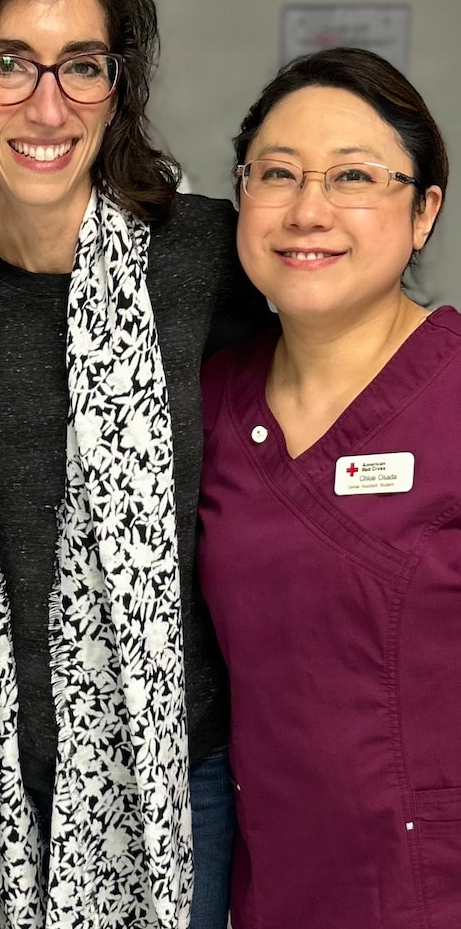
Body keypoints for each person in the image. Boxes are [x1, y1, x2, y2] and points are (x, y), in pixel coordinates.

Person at [0, 0, 268, 929]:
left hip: (178, 780)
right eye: (8, 64)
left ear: (116, 87)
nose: (47, 105)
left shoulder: (207, 258)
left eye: (80, 65)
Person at [196, 47, 457, 928]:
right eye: (277, 174)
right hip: (273, 890)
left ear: (424, 211)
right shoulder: (212, 403)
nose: (308, 211)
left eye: (353, 176)